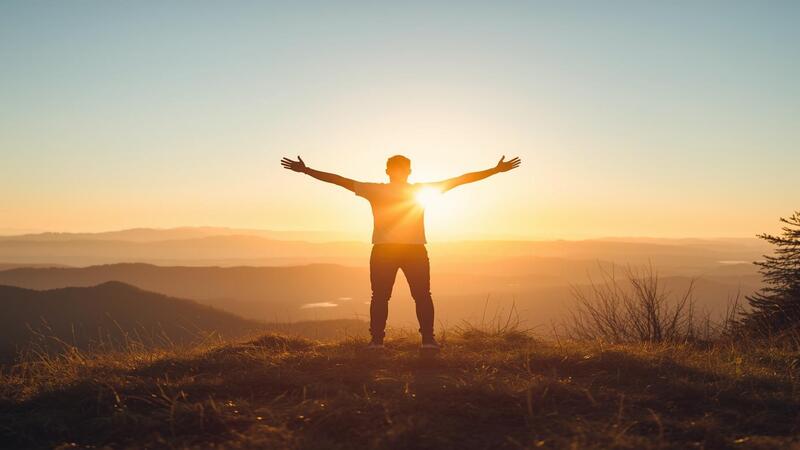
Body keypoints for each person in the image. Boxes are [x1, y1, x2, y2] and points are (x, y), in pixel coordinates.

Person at [281, 154, 521, 350]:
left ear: (388, 171)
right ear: (409, 171)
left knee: (382, 296)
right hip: (414, 250)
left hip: (385, 251)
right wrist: (495, 170)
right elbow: (461, 180)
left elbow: (339, 180)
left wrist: (307, 170)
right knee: (421, 295)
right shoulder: (421, 191)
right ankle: (427, 340)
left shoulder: (375, 190)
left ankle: (378, 342)